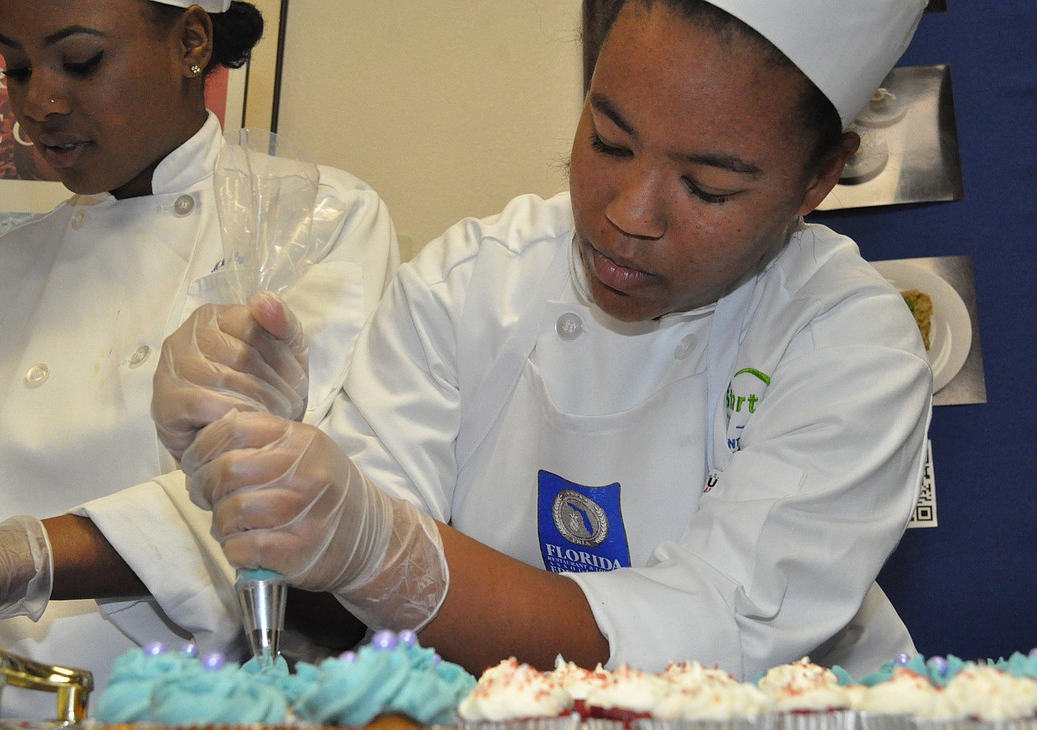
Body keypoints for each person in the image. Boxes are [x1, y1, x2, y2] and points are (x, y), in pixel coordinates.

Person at [153, 0, 935, 682]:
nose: (629, 214)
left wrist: (385, 552)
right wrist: (254, 465)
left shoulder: (850, 346)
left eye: (708, 188)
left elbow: (707, 643)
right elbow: (345, 610)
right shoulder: (473, 281)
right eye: (608, 142)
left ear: (818, 180)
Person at [0, 0, 398, 719]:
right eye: (18, 68)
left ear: (191, 42)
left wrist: (22, 556)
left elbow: (298, 501)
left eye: (81, 61)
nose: (38, 102)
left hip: (215, 705)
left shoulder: (315, 219)